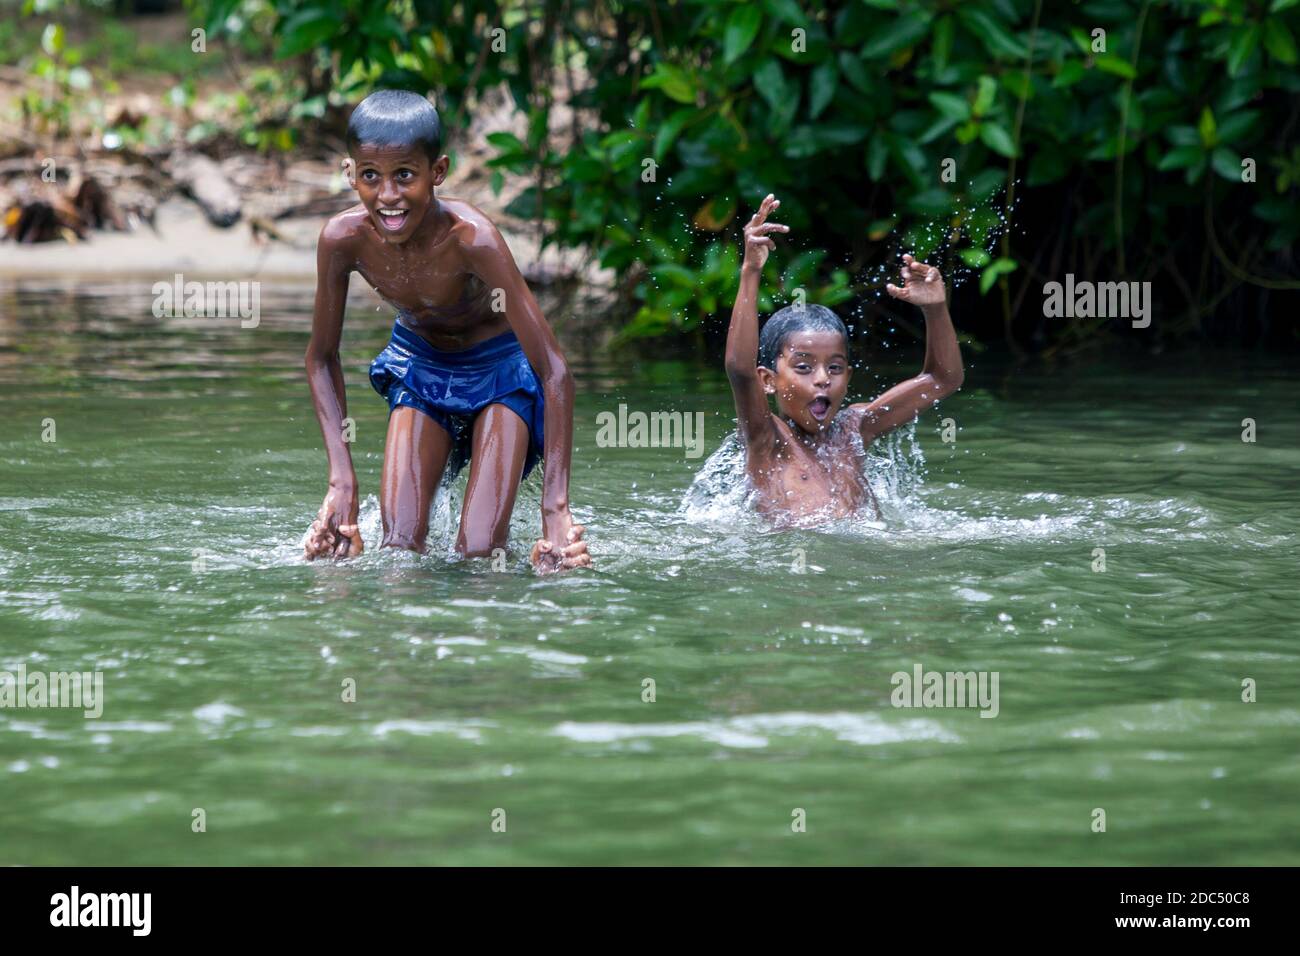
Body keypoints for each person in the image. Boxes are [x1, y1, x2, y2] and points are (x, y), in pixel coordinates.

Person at [303, 90, 591, 572]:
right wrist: (341, 481)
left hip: (502, 372)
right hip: (420, 368)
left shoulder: (472, 238)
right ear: (351, 174)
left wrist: (555, 513)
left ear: (437, 172)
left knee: (480, 554)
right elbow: (321, 358)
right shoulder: (341, 240)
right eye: (370, 176)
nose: (388, 195)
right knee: (397, 553)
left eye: (405, 176)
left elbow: (554, 369)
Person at [723, 193, 964, 527]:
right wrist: (750, 270)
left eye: (834, 368)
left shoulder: (854, 429)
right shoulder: (767, 439)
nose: (823, 378)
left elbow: (942, 380)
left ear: (848, 376)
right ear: (767, 379)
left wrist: (935, 309)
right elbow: (739, 369)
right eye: (804, 366)